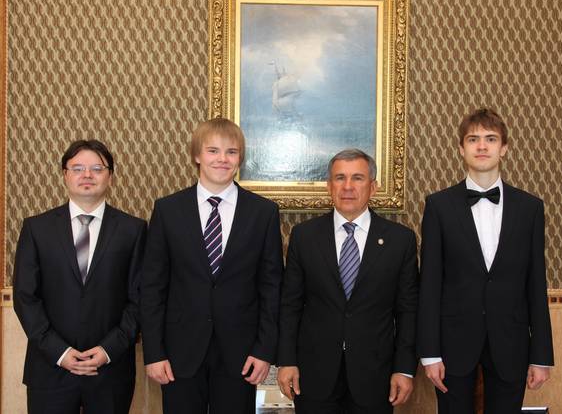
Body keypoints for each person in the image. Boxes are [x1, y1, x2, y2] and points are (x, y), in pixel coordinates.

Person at [140, 117, 284, 414]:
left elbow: (271, 288)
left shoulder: (263, 212)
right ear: (197, 155)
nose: (222, 159)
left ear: (240, 159)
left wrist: (264, 350)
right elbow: (152, 287)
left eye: (231, 152)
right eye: (213, 151)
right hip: (179, 354)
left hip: (241, 355)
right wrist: (154, 352)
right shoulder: (168, 210)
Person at [417, 108, 554, 413]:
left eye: (490, 139)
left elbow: (536, 284)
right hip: (452, 343)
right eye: (473, 139)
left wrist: (541, 355)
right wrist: (430, 353)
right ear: (461, 148)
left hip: (511, 341)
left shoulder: (530, 208)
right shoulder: (438, 206)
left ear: (503, 148)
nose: (482, 146)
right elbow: (430, 283)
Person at [277, 148, 418, 413]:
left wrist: (404, 369)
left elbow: (408, 311)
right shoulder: (304, 236)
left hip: (375, 375)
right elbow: (290, 305)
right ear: (329, 186)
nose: (348, 187)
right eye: (340, 178)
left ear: (373, 187)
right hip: (313, 374)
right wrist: (286, 360)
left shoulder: (400, 241)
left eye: (358, 178)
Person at [13, 139, 147, 414]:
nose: (87, 175)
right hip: (50, 369)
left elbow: (140, 298)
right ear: (65, 174)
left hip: (110, 371)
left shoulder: (133, 230)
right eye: (78, 168)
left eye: (97, 168)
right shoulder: (36, 229)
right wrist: (59, 352)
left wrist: (108, 350)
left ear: (110, 176)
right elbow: (25, 298)